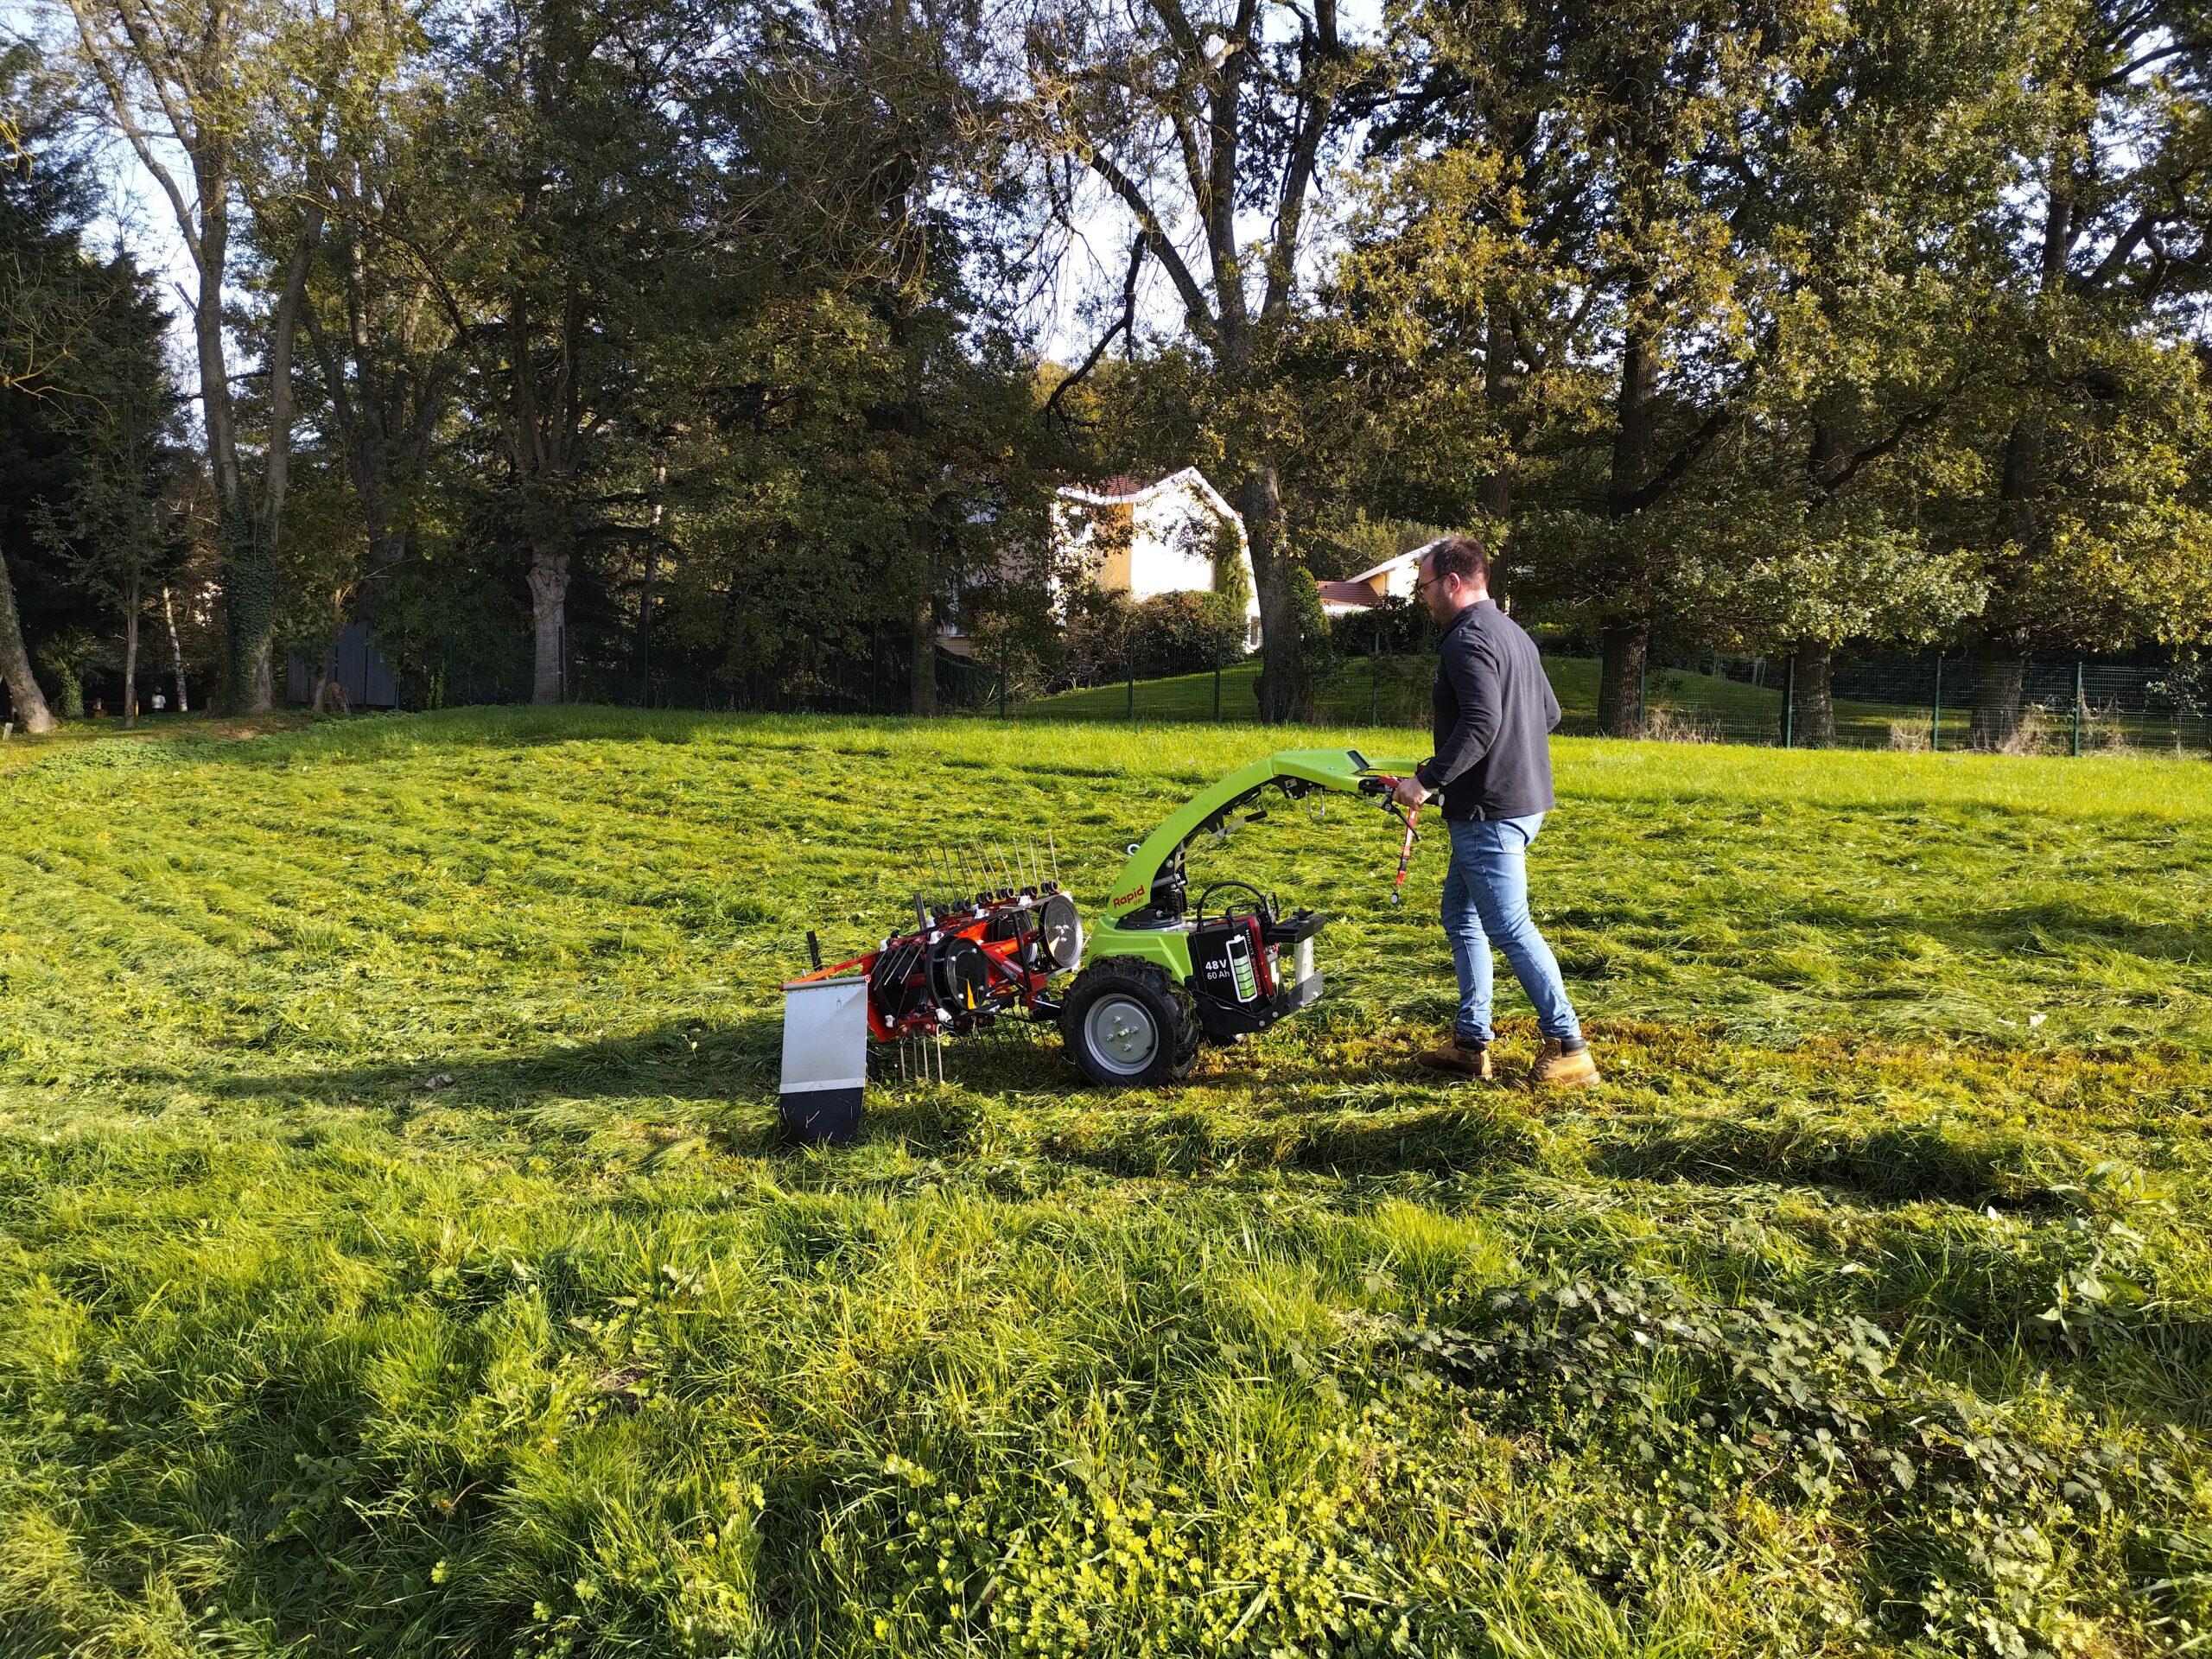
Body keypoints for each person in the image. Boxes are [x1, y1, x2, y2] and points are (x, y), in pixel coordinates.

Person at [1391, 534, 1598, 1087]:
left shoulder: (1465, 640)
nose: (1422, 597)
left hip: (1489, 812)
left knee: (1508, 926)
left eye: (1424, 587)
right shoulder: (1512, 633)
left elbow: (1482, 723)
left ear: (1453, 582)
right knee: (1460, 915)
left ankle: (1570, 1045)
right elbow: (1547, 713)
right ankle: (1470, 1041)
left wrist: (1427, 781)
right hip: (1521, 802)